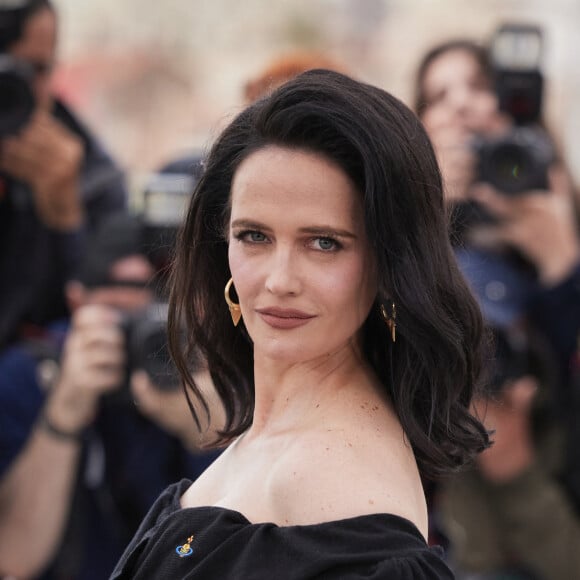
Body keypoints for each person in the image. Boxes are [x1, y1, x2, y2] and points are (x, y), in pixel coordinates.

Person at [110, 68, 491, 579]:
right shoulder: (269, 438)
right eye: (254, 236)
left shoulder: (346, 489)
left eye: (324, 242)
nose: (279, 280)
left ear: (389, 263)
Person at [0, 212, 223, 579]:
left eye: (160, 316)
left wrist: (213, 431)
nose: (145, 336)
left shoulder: (212, 371)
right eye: (124, 317)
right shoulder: (31, 377)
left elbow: (245, 549)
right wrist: (63, 415)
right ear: (77, 300)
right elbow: (14, 559)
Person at [413, 36, 580, 510]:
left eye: (478, 85)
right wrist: (426, 212)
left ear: (517, 102)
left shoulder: (561, 212)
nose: (461, 104)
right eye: (438, 96)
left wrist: (562, 262)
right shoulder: (403, 231)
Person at [0, 0, 128, 349]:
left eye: (33, 70)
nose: (13, 89)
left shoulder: (92, 174)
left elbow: (98, 317)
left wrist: (65, 217)